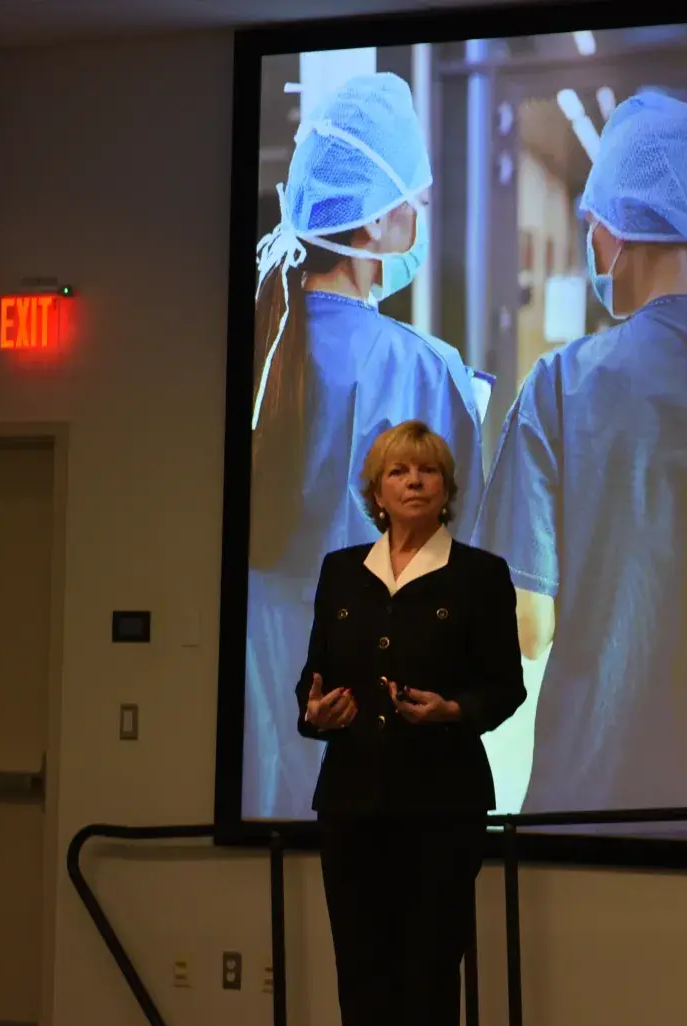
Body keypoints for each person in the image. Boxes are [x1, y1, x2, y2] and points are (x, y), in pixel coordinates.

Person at [469, 91, 687, 813]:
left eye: (590, 225)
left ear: (614, 231)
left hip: (596, 784)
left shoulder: (560, 386)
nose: (591, 245)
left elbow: (528, 628)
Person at [245, 71, 491, 819]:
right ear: (376, 223)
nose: (420, 215)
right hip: (387, 717)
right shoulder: (425, 368)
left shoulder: (254, 351)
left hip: (260, 699)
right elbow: (468, 541)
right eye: (412, 202)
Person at [297, 419, 525, 1026]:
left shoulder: (479, 575)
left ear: (447, 487)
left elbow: (505, 686)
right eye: (399, 472)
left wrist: (456, 710)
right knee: (361, 974)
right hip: (351, 804)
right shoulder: (343, 572)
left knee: (427, 975)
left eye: (427, 471)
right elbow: (312, 678)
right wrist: (315, 713)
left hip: (441, 806)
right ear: (377, 490)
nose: (414, 481)